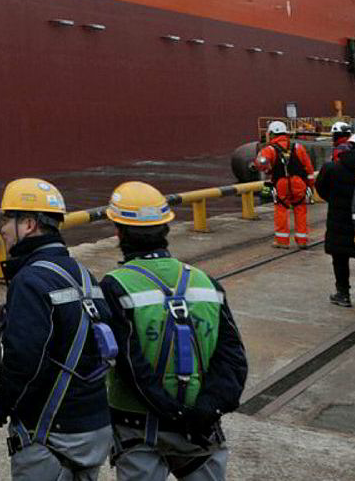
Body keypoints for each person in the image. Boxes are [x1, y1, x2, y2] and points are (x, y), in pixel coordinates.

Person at [99, 182, 246, 481]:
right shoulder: (206, 283)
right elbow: (233, 360)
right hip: (201, 430)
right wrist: (205, 409)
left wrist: (171, 412)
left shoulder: (115, 286)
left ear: (118, 232)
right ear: (167, 228)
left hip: (138, 427)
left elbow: (129, 364)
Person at [0, 178, 113, 480]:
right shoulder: (84, 275)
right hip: (93, 428)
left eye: (7, 218)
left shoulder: (30, 281)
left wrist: (1, 404)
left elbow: (23, 358)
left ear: (28, 224)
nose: (2, 228)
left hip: (51, 434)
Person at [316, 129, 355, 307]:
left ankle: (343, 294)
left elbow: (321, 189)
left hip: (338, 219)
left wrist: (334, 200)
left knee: (339, 257)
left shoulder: (332, 168)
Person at [255, 120, 314, 248]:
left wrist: (266, 170)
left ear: (271, 134)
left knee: (281, 210)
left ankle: (282, 241)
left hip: (281, 183)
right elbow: (308, 168)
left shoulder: (269, 149)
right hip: (298, 182)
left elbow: (260, 164)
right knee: (300, 209)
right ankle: (302, 240)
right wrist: (310, 185)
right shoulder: (298, 147)